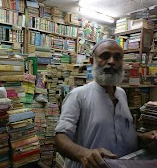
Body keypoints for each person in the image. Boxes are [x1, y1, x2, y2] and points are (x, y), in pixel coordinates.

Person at [55, 39, 157, 168]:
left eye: (117, 57)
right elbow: (60, 138)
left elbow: (119, 133)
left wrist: (142, 137)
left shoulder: (121, 94)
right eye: (105, 56)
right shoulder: (78, 95)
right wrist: (83, 154)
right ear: (92, 62)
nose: (111, 61)